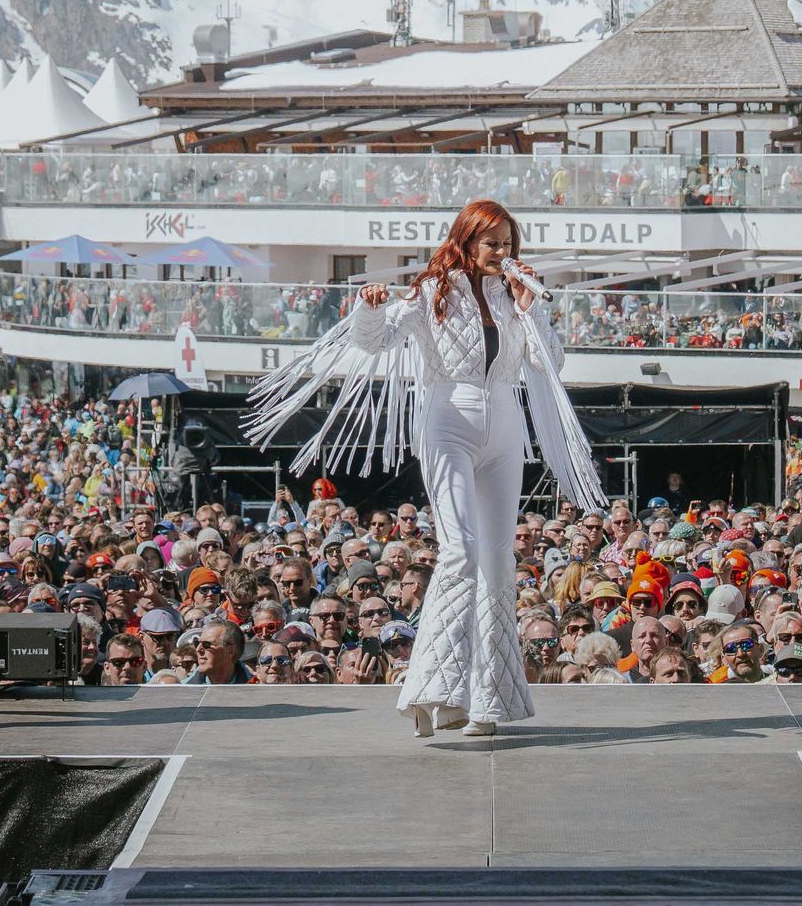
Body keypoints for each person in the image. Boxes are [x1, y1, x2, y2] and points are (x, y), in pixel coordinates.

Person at [248, 197, 599, 741]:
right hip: (448, 423)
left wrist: (533, 308)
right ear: (466, 241)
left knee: (498, 559)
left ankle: (487, 700)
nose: (500, 252)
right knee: (459, 549)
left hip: (506, 428)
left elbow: (548, 364)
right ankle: (433, 689)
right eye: (491, 243)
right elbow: (374, 341)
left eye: (507, 243)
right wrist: (367, 307)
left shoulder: (514, 298)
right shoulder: (432, 292)